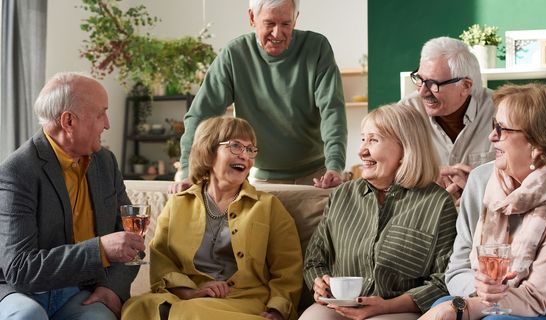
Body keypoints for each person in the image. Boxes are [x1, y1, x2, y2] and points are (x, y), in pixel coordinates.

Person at [421, 83, 546, 320]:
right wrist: (479, 296)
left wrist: (467, 308)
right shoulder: (481, 180)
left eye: (501, 129)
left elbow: (541, 297)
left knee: (495, 318)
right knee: (441, 305)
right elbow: (457, 270)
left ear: (538, 143)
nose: (491, 136)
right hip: (487, 299)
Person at [122, 116, 303, 320]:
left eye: (250, 149)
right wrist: (190, 292)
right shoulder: (178, 204)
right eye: (235, 146)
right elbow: (162, 260)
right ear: (209, 152)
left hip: (242, 302)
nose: (245, 156)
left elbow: (288, 269)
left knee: (186, 314)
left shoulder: (268, 206)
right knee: (136, 308)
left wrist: (277, 311)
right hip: (187, 298)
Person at [0, 72, 144, 319]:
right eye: (101, 113)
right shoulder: (17, 171)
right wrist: (99, 250)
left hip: (81, 289)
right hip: (22, 291)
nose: (107, 123)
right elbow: (19, 269)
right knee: (28, 315)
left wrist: (112, 288)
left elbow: (132, 241)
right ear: (68, 121)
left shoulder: (105, 162)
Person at [301, 104, 458, 320]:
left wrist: (386, 306)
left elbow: (445, 279)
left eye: (373, 140)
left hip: (399, 310)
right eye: (363, 139)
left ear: (405, 149)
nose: (361, 150)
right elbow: (314, 260)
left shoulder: (438, 204)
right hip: (339, 307)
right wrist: (319, 283)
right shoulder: (341, 196)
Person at [174, 0, 347, 192]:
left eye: (285, 24)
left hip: (316, 176)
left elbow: (333, 111)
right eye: (270, 24)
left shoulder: (317, 48)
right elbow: (200, 116)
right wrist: (188, 172)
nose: (277, 33)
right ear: (252, 18)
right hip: (259, 178)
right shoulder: (234, 55)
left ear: (295, 19)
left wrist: (335, 166)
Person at [401, 36, 495, 205]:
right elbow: (387, 170)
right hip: (426, 216)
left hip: (485, 216)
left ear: (465, 86)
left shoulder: (501, 111)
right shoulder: (406, 111)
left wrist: (479, 185)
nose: (422, 92)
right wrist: (427, 176)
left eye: (432, 84)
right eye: (420, 79)